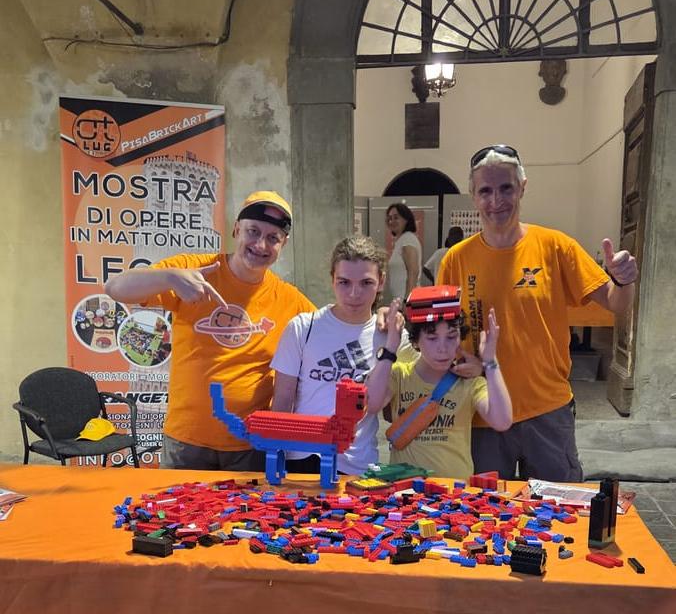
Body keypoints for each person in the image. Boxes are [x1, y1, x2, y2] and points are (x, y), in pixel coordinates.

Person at [437, 145, 638, 480]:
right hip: (483, 412)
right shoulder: (456, 260)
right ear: (472, 195)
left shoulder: (556, 247)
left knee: (559, 507)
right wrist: (458, 361)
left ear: (522, 187)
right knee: (487, 509)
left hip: (548, 410)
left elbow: (617, 303)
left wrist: (624, 280)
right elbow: (439, 334)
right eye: (485, 191)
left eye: (506, 188)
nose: (496, 200)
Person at [105, 191, 314, 470]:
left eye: (273, 238)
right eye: (253, 231)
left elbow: (333, 331)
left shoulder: (289, 299)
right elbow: (115, 288)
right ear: (236, 229)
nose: (261, 245)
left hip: (250, 445)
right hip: (186, 442)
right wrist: (169, 277)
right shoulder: (192, 271)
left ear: (283, 243)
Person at [271, 235, 391, 475]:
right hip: (302, 458)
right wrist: (275, 462)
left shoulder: (390, 335)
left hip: (357, 465)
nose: (354, 293)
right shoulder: (302, 328)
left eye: (366, 283)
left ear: (381, 282)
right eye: (344, 282)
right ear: (332, 280)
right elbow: (282, 401)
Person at [366, 289, 512, 479]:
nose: (442, 348)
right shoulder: (400, 375)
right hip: (406, 490)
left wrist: (491, 362)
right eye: (432, 338)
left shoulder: (470, 383)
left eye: (451, 336)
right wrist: (391, 348)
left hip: (454, 491)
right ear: (416, 341)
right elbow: (371, 403)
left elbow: (502, 421)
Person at [385, 202, 422, 301]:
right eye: (389, 218)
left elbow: (413, 272)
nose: (392, 221)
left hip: (406, 300)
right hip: (399, 299)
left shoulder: (407, 239)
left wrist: (407, 301)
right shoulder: (401, 240)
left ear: (406, 219)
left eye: (396, 217)